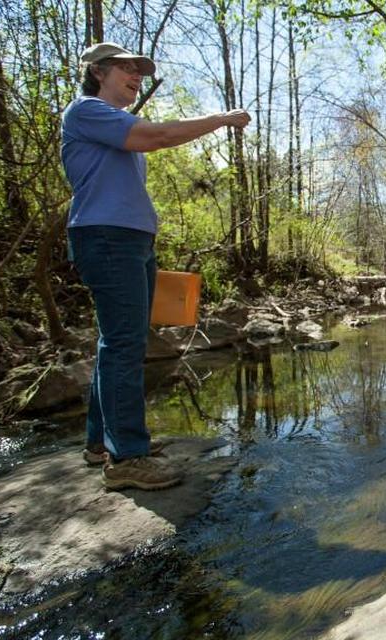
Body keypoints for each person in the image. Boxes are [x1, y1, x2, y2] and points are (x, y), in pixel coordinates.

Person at [63, 42, 251, 490]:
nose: (136, 77)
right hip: (107, 239)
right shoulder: (86, 111)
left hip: (130, 241)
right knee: (125, 344)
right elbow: (158, 136)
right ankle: (127, 457)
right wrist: (222, 119)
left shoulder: (114, 124)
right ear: (98, 72)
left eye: (139, 72)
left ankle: (100, 443)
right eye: (127, 70)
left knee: (119, 341)